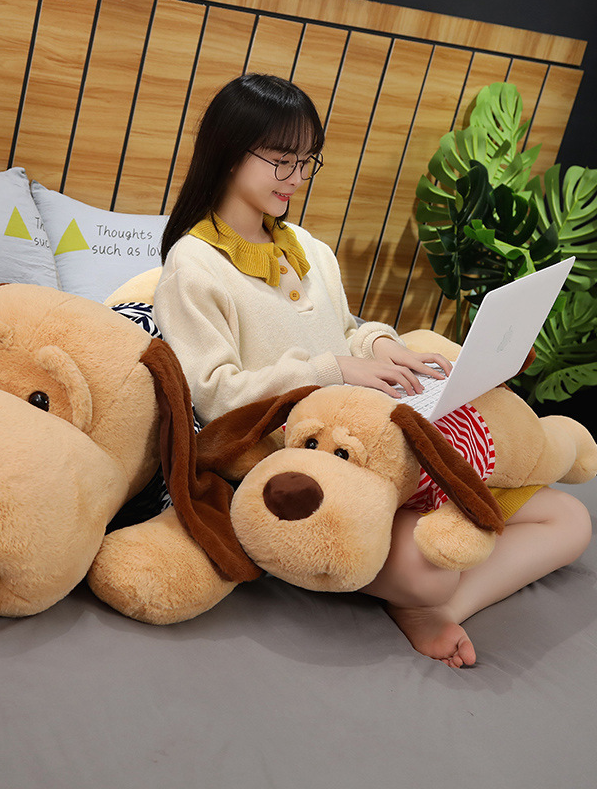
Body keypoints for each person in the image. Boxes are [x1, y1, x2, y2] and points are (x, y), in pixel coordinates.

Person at [153, 72, 592, 668]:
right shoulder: (194, 265)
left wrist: (382, 345)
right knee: (431, 571)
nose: (297, 177)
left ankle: (439, 609)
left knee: (568, 519)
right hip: (303, 463)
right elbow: (213, 395)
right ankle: (426, 598)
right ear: (229, 153)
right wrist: (333, 370)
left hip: (371, 440)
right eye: (282, 160)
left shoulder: (309, 249)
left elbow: (345, 331)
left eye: (307, 161)